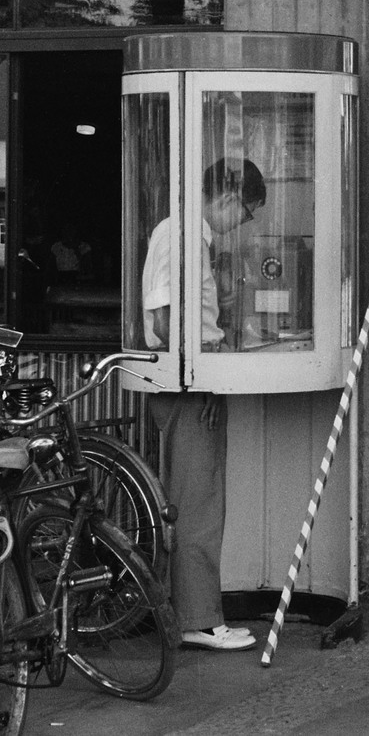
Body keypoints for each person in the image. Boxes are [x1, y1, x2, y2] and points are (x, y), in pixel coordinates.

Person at [140, 158, 266, 651]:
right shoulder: (181, 235)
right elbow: (169, 320)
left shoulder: (188, 236)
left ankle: (195, 612)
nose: (243, 225)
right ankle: (197, 619)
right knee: (198, 505)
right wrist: (203, 379)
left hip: (190, 380)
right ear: (231, 196)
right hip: (186, 385)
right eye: (249, 213)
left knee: (198, 500)